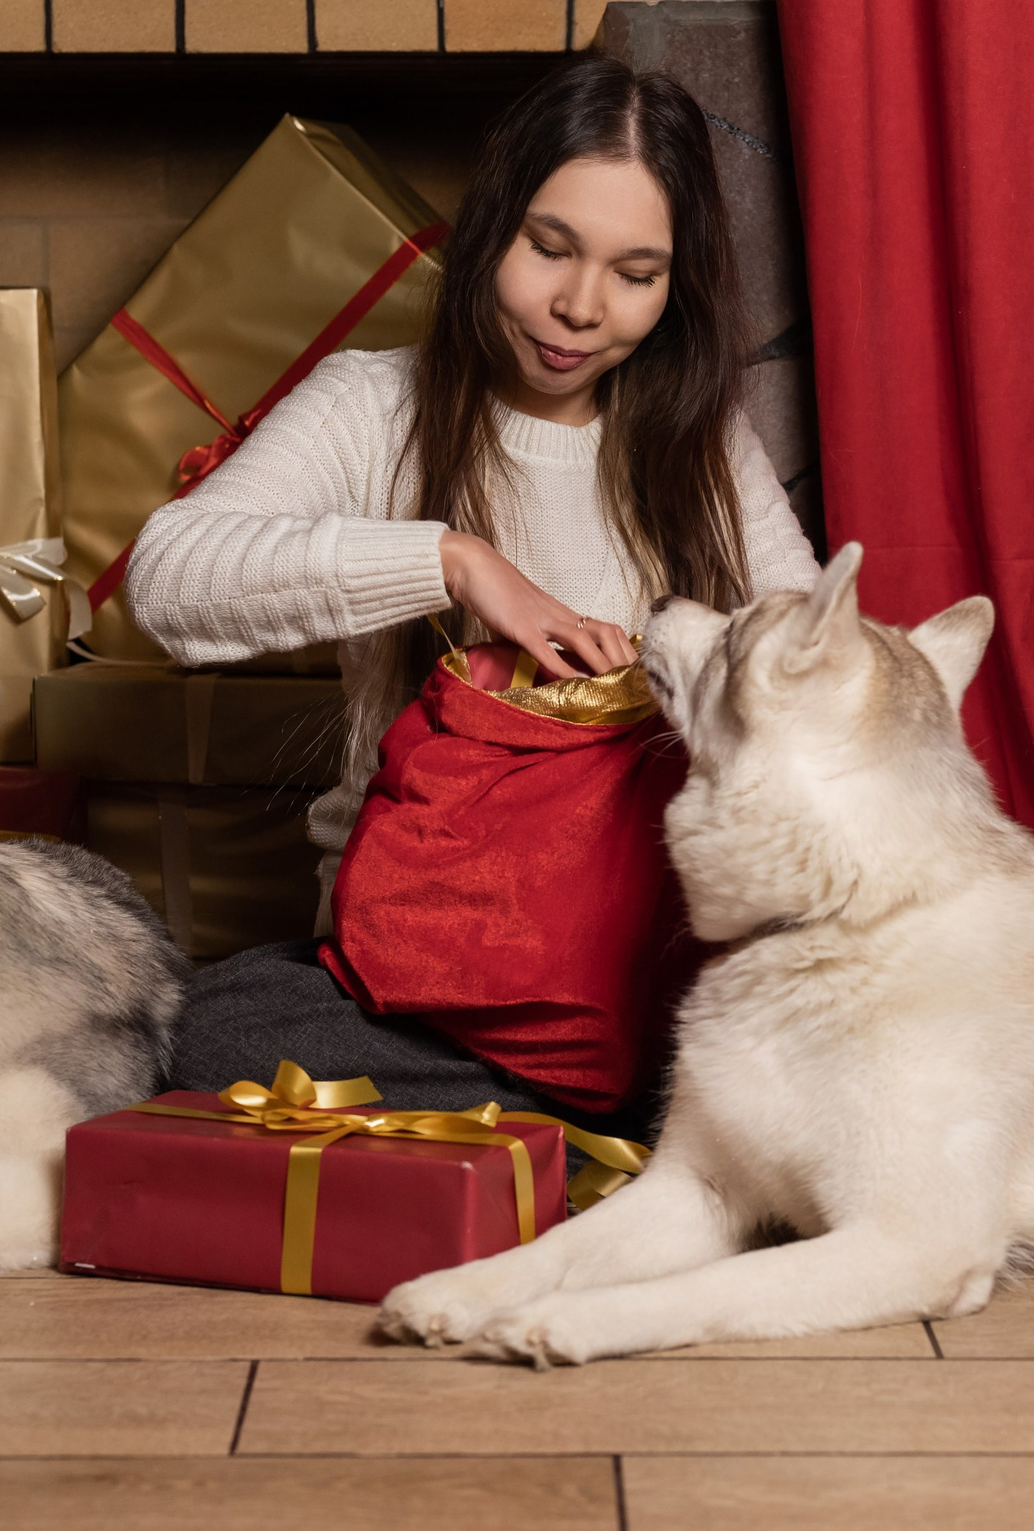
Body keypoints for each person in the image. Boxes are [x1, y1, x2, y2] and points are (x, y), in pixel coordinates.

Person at [127, 55, 820, 1135]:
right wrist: (454, 561)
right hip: (426, 969)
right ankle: (652, 1122)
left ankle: (589, 1112)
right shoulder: (371, 403)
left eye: (635, 273)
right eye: (550, 248)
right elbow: (166, 581)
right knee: (195, 1028)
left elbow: (821, 675)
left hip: (645, 951)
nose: (580, 308)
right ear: (492, 224)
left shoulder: (699, 442)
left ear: (673, 286)